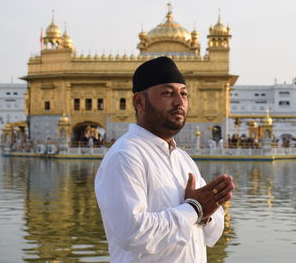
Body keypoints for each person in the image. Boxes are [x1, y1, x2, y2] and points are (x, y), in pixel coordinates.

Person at [95, 56, 235, 263]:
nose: (179, 102)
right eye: (168, 93)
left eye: (184, 94)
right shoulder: (126, 156)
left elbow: (213, 230)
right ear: (139, 102)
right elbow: (132, 233)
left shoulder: (183, 160)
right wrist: (195, 208)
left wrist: (204, 214)